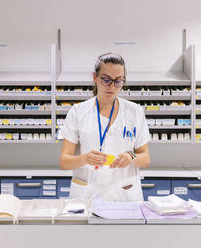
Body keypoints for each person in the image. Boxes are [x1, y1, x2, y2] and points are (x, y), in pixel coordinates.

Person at [58, 53, 150, 201]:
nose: (112, 86)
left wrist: (131, 157)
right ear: (95, 77)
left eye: (118, 81)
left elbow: (145, 159)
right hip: (87, 195)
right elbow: (64, 161)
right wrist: (84, 159)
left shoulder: (135, 111)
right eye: (106, 80)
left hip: (124, 195)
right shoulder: (78, 112)